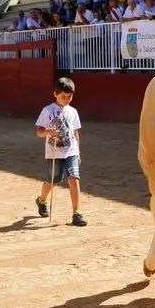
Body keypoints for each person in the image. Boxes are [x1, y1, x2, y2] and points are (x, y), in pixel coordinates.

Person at [34, 77, 87, 226]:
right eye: (63, 96)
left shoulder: (73, 111)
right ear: (55, 94)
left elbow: (75, 132)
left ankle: (77, 213)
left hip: (71, 151)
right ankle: (42, 200)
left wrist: (78, 152)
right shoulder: (47, 110)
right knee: (52, 180)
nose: (67, 99)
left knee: (74, 178)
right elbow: (39, 132)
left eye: (70, 97)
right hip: (54, 152)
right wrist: (48, 132)